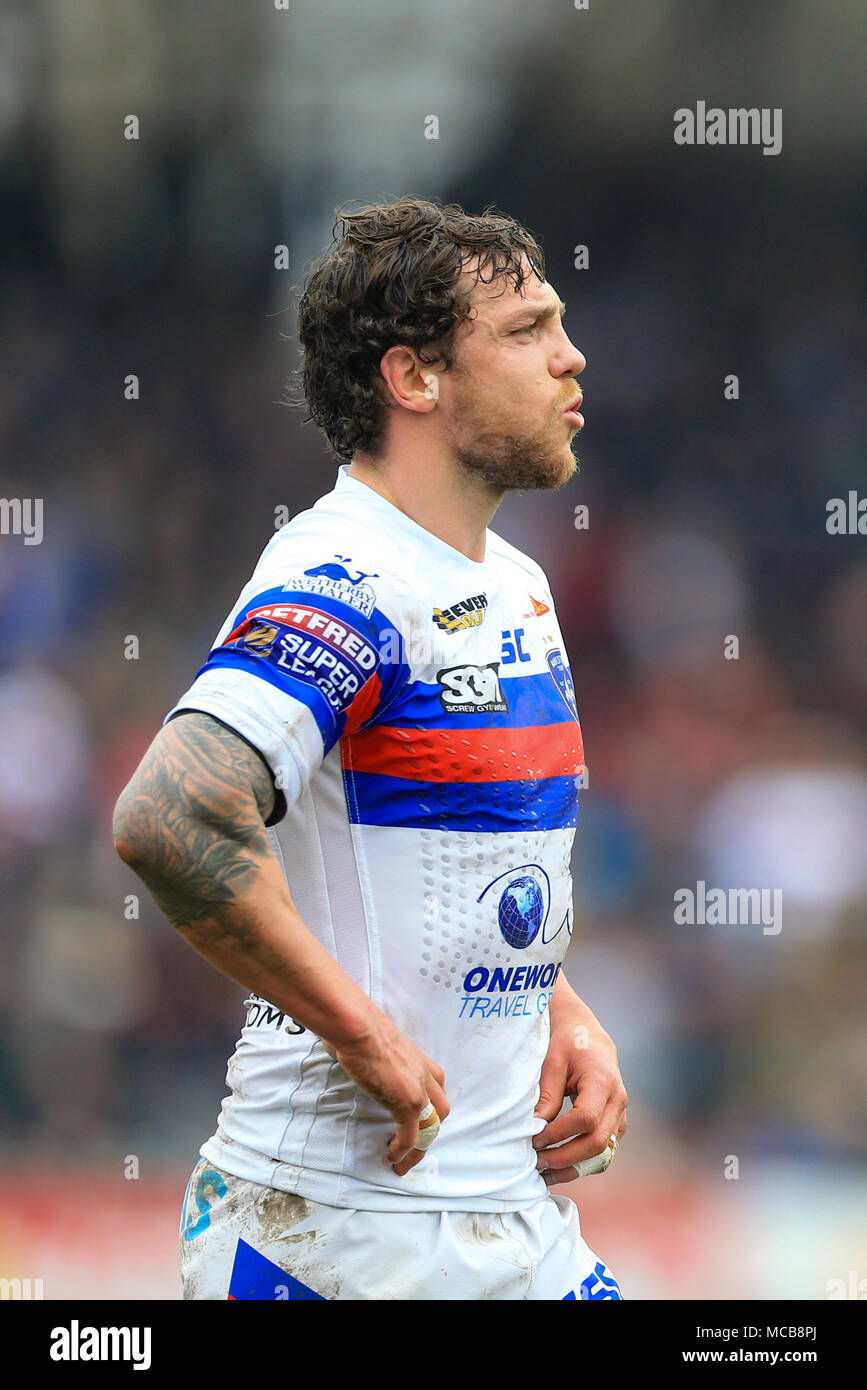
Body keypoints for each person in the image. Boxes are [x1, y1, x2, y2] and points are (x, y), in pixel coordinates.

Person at [113, 196, 628, 1301]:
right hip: (335, 1232)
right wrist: (363, 1038)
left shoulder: (518, 585)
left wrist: (559, 1005)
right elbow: (170, 814)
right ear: (415, 379)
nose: (572, 356)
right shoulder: (341, 577)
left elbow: (452, 867)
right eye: (528, 330)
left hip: (511, 1218)